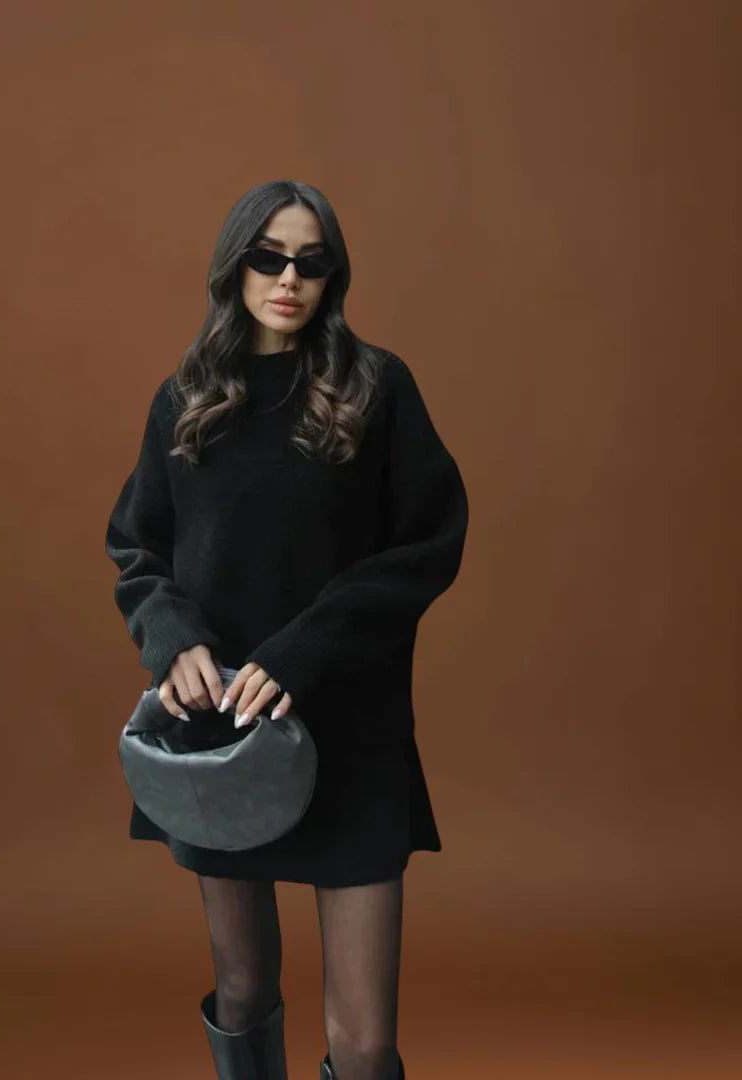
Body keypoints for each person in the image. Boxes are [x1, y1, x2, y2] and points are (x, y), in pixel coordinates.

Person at [104, 180, 468, 1080]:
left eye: (311, 261)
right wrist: (174, 640)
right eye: (268, 257)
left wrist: (305, 650)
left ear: (333, 275)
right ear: (236, 267)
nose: (289, 279)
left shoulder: (376, 387)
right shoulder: (187, 398)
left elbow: (427, 543)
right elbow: (138, 547)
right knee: (242, 990)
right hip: (222, 735)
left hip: (351, 732)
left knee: (364, 1041)